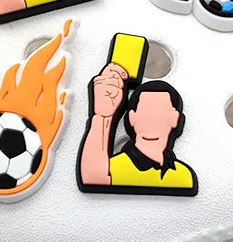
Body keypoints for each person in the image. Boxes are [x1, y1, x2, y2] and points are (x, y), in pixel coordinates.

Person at [78, 63, 197, 194]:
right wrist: (103, 117)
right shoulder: (113, 169)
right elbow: (92, 177)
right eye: (145, 113)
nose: (151, 123)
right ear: (132, 118)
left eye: (161, 114)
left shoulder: (183, 175)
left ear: (175, 119)